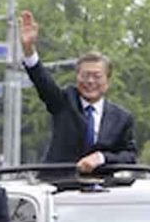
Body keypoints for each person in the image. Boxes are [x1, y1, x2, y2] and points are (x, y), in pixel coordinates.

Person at [19, 10, 137, 171]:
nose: (90, 81)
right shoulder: (64, 102)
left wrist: (101, 157)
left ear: (108, 81)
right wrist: (29, 49)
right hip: (61, 185)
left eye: (96, 76)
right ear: (77, 77)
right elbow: (43, 81)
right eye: (85, 75)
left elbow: (129, 156)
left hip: (103, 190)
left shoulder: (122, 118)